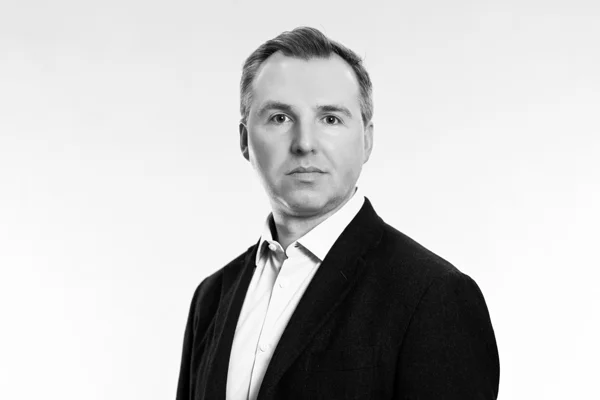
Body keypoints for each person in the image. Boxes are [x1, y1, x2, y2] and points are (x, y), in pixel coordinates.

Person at [176, 26, 500, 400]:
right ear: (244, 140)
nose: (304, 144)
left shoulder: (435, 296)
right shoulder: (211, 298)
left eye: (330, 118)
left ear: (367, 140)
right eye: (280, 117)